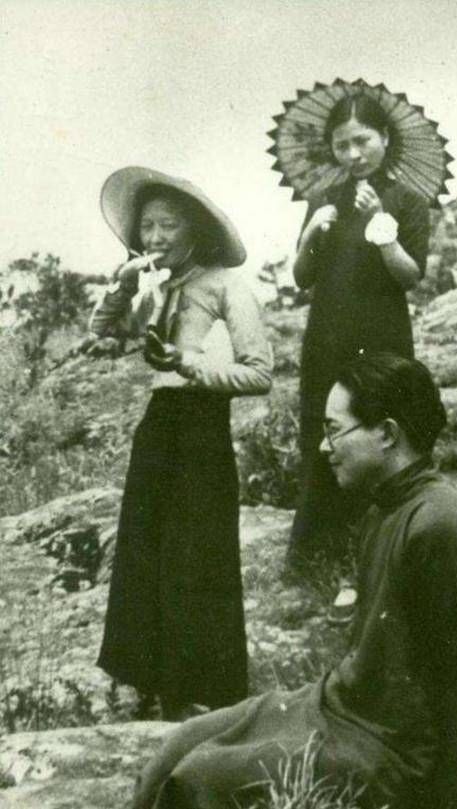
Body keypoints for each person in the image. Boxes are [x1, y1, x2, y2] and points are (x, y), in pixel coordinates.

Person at [131, 353, 457, 809]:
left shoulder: (441, 528)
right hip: (340, 705)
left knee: (200, 777)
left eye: (334, 430)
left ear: (387, 434)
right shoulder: (384, 509)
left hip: (391, 750)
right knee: (181, 742)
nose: (324, 447)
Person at [91, 166, 273, 720]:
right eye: (147, 226)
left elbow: (259, 374)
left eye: (168, 225)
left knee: (196, 553)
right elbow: (102, 332)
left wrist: (189, 364)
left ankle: (199, 689)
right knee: (142, 547)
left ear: (195, 229)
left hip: (202, 429)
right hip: (159, 426)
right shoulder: (155, 287)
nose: (155, 237)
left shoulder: (227, 286)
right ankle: (139, 678)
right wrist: (123, 286)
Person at [288, 93, 431, 571]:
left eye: (362, 141)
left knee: (380, 430)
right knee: (326, 432)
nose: (353, 154)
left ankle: (382, 552)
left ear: (385, 138)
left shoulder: (407, 201)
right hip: (328, 333)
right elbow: (302, 277)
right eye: (342, 144)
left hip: (383, 334)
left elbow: (410, 276)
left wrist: (380, 225)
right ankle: (321, 556)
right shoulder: (323, 201)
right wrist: (311, 232)